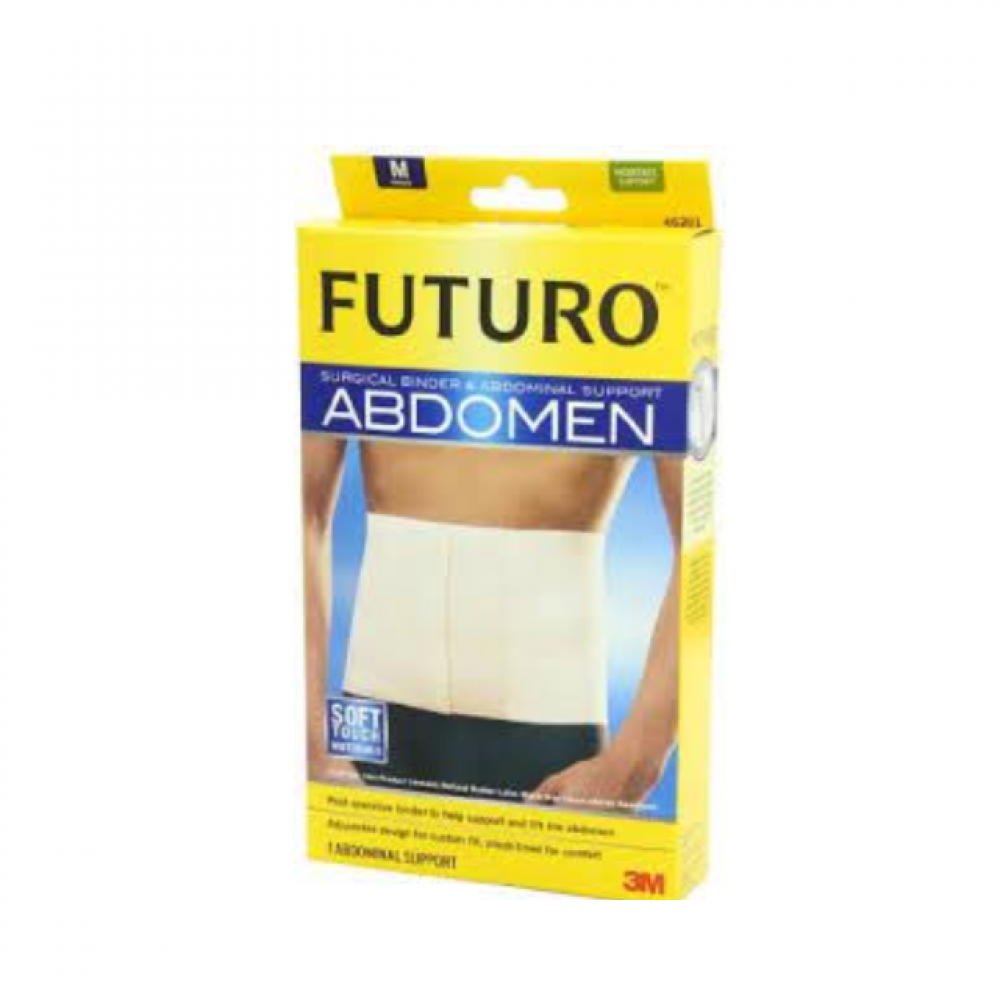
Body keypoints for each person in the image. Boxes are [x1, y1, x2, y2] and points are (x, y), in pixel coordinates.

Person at [303, 437, 682, 811]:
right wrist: (312, 742)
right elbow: (305, 512)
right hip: (368, 730)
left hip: (548, 745)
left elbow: (699, 543)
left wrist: (634, 766)